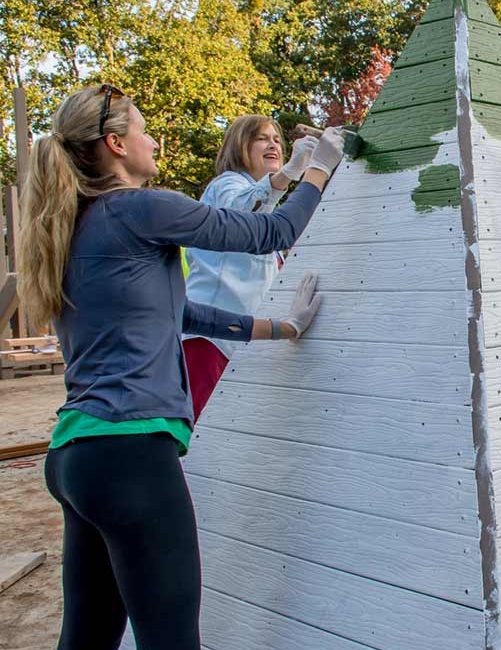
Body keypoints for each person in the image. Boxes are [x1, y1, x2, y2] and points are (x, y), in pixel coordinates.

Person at [16, 84, 344, 650]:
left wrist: (277, 327)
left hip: (75, 460)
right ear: (116, 144)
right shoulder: (140, 208)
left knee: (87, 639)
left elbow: (180, 311)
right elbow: (273, 232)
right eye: (142, 129)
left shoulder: (77, 226)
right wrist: (318, 170)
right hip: (133, 456)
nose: (153, 140)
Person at [183, 115, 319, 419]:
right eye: (261, 138)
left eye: (276, 139)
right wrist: (290, 174)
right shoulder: (226, 187)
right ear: (240, 145)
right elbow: (244, 215)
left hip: (240, 338)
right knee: (205, 430)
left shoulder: (267, 202)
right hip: (210, 340)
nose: (273, 144)